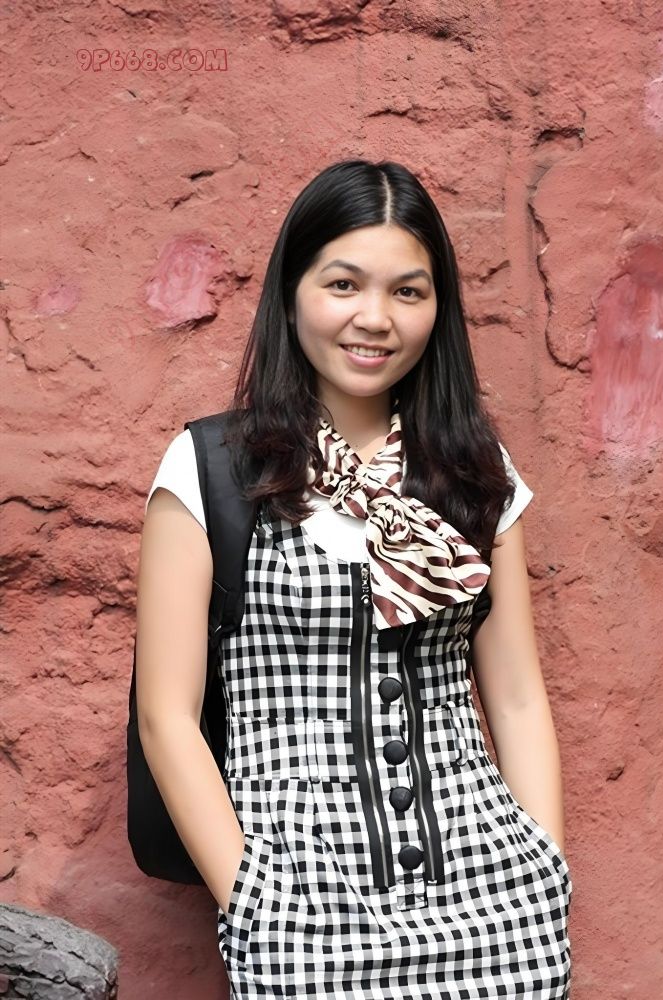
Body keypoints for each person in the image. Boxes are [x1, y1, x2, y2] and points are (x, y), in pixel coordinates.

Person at [136, 158, 573, 998]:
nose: (374, 318)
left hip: (497, 911)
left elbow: (516, 697)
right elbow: (166, 717)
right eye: (343, 284)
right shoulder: (211, 468)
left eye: (408, 292)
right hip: (300, 916)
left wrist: (543, 875)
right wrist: (252, 902)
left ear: (438, 307)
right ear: (291, 292)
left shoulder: (473, 474)